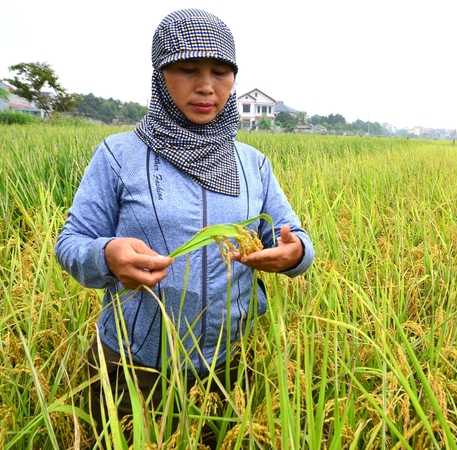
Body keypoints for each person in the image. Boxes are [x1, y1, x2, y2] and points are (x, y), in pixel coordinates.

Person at [55, 8, 314, 447]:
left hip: (231, 362)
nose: (206, 87)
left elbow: (293, 236)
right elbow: (71, 243)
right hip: (134, 363)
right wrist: (106, 256)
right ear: (160, 74)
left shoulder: (253, 164)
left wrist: (295, 255)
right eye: (187, 69)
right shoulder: (120, 155)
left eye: (221, 71)